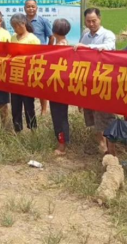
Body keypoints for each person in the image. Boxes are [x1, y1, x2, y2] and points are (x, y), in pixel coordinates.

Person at [76, 8, 116, 155]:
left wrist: (87, 48)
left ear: (100, 19)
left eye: (94, 21)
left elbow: (108, 47)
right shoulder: (85, 35)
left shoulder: (108, 35)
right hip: (89, 81)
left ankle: (112, 150)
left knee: (106, 116)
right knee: (92, 115)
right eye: (88, 21)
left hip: (104, 82)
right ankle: (101, 145)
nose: (91, 24)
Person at [9, 13, 40, 132]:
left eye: (16, 26)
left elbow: (37, 58)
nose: (15, 29)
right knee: (15, 105)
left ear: (23, 24)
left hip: (27, 77)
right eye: (13, 27)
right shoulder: (13, 38)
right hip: (15, 76)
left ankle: (33, 129)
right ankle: (17, 129)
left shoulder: (33, 39)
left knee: (28, 105)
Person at [25, 0, 54, 115]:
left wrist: (47, 51)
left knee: (41, 83)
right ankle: (29, 109)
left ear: (37, 8)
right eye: (28, 6)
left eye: (33, 6)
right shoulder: (22, 21)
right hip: (25, 58)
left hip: (40, 58)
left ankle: (43, 109)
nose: (30, 9)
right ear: (24, 8)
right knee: (27, 83)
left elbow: (51, 37)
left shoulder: (43, 21)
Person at [50, 18, 71, 155]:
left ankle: (62, 145)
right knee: (58, 114)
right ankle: (61, 141)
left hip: (59, 85)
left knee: (59, 115)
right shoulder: (59, 43)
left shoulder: (61, 45)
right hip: (56, 83)